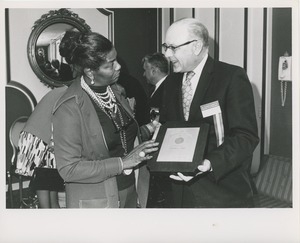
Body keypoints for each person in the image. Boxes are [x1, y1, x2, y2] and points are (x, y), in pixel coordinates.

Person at [52, 30, 159, 208]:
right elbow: (68, 169)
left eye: (116, 59)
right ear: (90, 71)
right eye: (110, 64)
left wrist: (149, 131)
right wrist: (122, 163)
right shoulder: (69, 107)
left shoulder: (117, 92)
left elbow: (120, 136)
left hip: (131, 190)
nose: (119, 66)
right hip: (97, 200)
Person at [159, 18, 259, 208]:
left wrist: (209, 163)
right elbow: (168, 127)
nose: (167, 54)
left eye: (172, 47)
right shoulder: (170, 83)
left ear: (196, 46)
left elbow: (245, 136)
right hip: (178, 192)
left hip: (221, 191)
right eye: (166, 47)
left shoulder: (231, 77)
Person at [17, 87, 67, 208]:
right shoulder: (68, 94)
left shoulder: (65, 92)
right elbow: (59, 119)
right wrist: (54, 142)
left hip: (46, 137)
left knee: (51, 177)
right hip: (40, 138)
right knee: (44, 178)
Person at [141, 52, 172, 207]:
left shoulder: (168, 89)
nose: (143, 73)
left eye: (145, 69)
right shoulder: (158, 88)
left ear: (153, 70)